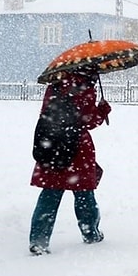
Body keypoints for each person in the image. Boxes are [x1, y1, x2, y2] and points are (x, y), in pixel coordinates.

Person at [29, 71, 111, 255]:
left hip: (53, 144)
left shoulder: (55, 84)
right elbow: (88, 121)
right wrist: (103, 110)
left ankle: (38, 241)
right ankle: (91, 233)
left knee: (50, 194)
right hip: (76, 148)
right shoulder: (84, 86)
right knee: (84, 194)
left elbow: (47, 112)